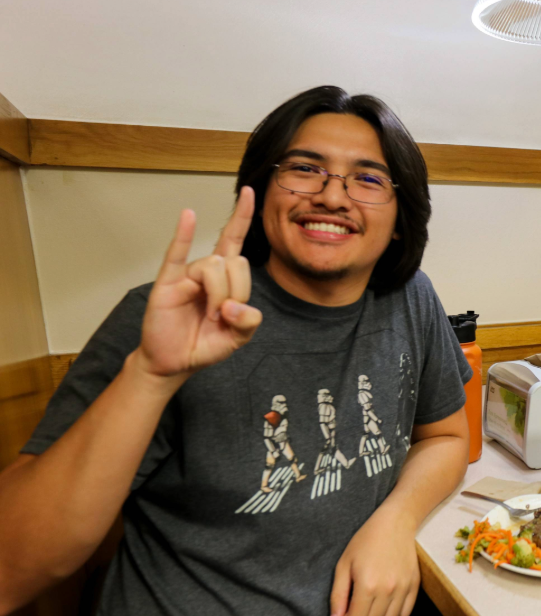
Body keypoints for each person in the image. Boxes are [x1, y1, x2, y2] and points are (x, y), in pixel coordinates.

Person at [0, 86, 471, 616]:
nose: (333, 197)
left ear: (400, 218)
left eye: (367, 178)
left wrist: (395, 522)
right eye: (304, 168)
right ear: (259, 189)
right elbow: (11, 568)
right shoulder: (171, 315)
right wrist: (150, 375)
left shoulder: (410, 298)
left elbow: (448, 436)